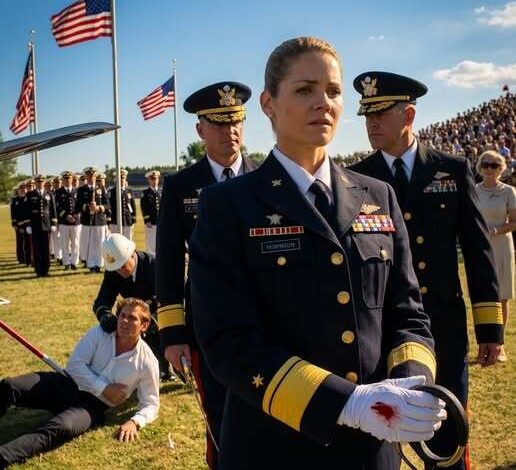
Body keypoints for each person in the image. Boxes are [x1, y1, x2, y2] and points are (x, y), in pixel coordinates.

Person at [188, 37, 444, 470]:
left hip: (373, 446)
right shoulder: (227, 204)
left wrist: (408, 386)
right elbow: (227, 342)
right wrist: (346, 403)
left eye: (333, 91)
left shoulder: (378, 195)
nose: (323, 102)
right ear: (268, 104)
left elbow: (408, 315)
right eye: (305, 89)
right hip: (274, 446)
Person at [350, 70, 503, 470]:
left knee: (447, 435)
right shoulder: (357, 179)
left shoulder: (450, 169)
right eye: (367, 115)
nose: (371, 123)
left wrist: (490, 329)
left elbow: (478, 250)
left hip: (442, 325)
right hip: (382, 330)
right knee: (382, 439)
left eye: (381, 114)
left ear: (409, 115)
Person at [156, 80, 257, 469]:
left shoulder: (267, 178)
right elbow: (168, 262)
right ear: (200, 130)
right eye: (218, 123)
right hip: (208, 325)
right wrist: (173, 334)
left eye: (235, 121)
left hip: (265, 323)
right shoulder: (180, 185)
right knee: (220, 417)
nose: (229, 131)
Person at [0, 297, 159, 469]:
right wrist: (105, 388)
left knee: (62, 427)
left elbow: (151, 403)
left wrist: (135, 422)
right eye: (122, 315)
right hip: (66, 383)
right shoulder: (99, 332)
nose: (124, 321)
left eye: (132, 318)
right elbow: (75, 365)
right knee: (9, 385)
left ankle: (4, 455)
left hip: (92, 406)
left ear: (144, 325)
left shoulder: (147, 361)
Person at [93, 233, 170, 378]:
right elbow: (102, 300)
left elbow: (169, 296)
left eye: (122, 266)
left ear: (132, 254)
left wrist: (149, 314)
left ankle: (164, 367)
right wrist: (105, 315)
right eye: (116, 268)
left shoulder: (154, 265)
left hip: (162, 314)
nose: (120, 271)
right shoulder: (114, 271)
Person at [476, 150, 516, 362]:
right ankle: (483, 345)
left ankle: (499, 346)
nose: (489, 169)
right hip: (480, 248)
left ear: (501, 169)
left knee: (502, 296)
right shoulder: (474, 190)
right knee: (483, 295)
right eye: (485, 165)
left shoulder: (509, 191)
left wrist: (495, 230)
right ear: (480, 167)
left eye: (494, 165)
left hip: (501, 246)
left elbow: (514, 222)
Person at [75, 167, 110, 273]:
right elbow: (77, 206)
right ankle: (91, 265)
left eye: (93, 177)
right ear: (86, 177)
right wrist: (87, 207)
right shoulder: (81, 190)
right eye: (89, 177)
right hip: (87, 220)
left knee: (100, 243)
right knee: (89, 243)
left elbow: (107, 205)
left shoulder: (102, 189)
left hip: (99, 220)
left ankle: (99, 264)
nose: (91, 179)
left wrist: (99, 208)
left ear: (95, 177)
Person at [23, 175, 57, 277]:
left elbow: (53, 210)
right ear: (35, 183)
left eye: (41, 182)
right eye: (38, 182)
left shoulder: (49, 194)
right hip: (35, 225)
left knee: (46, 249)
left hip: (46, 225)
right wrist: (28, 224)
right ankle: (38, 270)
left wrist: (54, 223)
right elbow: (26, 211)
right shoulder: (30, 194)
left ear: (44, 183)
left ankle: (46, 270)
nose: (40, 184)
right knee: (37, 248)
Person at [55, 170, 80, 270]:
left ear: (72, 179)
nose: (67, 180)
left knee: (75, 243)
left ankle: (74, 262)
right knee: (64, 243)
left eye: (69, 178)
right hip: (64, 222)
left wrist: (75, 215)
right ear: (62, 180)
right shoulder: (58, 192)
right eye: (65, 179)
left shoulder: (77, 191)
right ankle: (66, 263)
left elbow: (79, 205)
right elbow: (57, 207)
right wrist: (66, 216)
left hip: (76, 222)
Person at [108, 169, 136, 241]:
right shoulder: (112, 191)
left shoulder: (129, 191)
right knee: (116, 241)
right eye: (120, 178)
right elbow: (109, 206)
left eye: (123, 178)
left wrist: (133, 219)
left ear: (125, 179)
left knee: (128, 242)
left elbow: (133, 205)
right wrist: (109, 220)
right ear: (116, 179)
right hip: (115, 221)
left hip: (127, 221)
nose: (122, 180)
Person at [140, 170, 161, 255]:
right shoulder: (145, 193)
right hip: (151, 223)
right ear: (149, 180)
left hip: (161, 222)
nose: (154, 181)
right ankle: (151, 261)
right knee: (151, 244)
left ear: (158, 179)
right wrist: (147, 220)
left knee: (161, 243)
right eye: (152, 179)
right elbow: (144, 208)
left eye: (155, 179)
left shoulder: (162, 192)